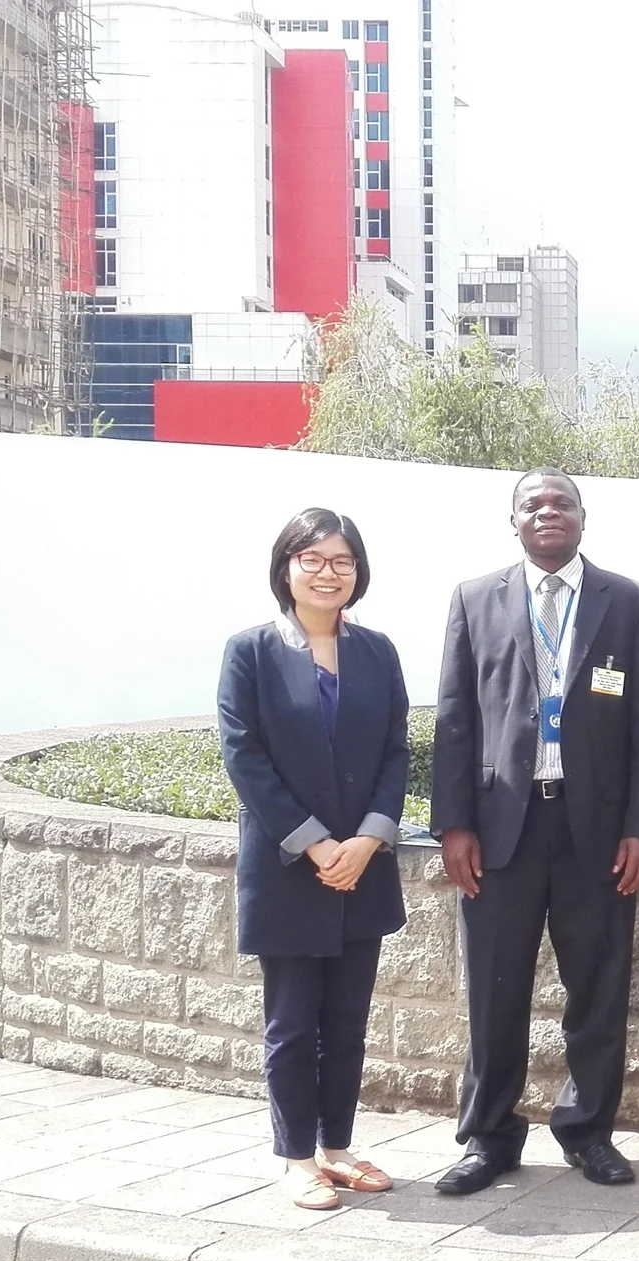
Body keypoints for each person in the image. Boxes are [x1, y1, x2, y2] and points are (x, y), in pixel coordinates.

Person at [429, 472, 639, 1195]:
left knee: (598, 990)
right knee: (493, 991)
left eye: (561, 502)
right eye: (531, 505)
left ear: (583, 517)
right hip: (501, 829)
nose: (547, 513)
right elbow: (454, 718)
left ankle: (588, 1132)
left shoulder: (630, 602)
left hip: (595, 832)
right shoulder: (475, 599)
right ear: (513, 521)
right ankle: (489, 1138)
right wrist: (454, 824)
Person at [217, 508, 411, 1211]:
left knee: (348, 1024)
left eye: (343, 561)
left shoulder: (378, 652)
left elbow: (396, 751)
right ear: (287, 567)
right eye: (314, 559)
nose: (329, 573)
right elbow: (244, 757)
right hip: (290, 872)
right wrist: (317, 843)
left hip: (363, 867)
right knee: (294, 1024)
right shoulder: (251, 651)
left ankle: (337, 1149)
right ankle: (297, 1158)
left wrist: (369, 839)